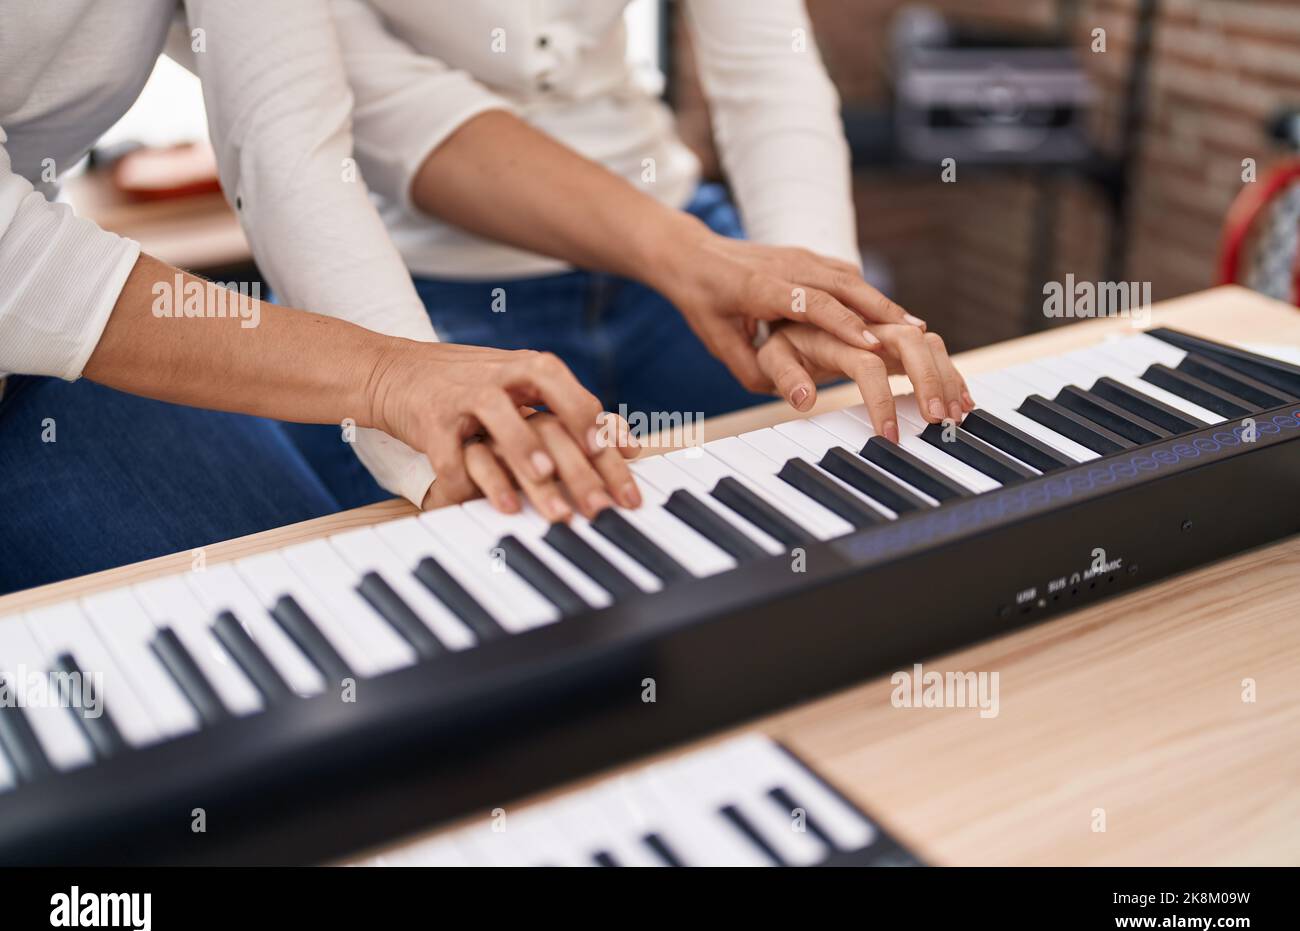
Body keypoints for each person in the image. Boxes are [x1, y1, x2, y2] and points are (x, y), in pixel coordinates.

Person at [0, 1, 966, 594]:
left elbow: (287, 134)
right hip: (412, 289)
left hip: (669, 257)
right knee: (331, 637)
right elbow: (359, 115)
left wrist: (793, 284)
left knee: (855, 537)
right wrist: (389, 382)